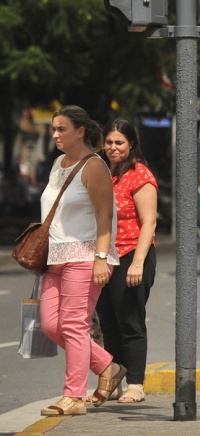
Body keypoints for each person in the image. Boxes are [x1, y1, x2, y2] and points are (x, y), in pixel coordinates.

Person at [39, 105, 124, 416]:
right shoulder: (57, 164)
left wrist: (101, 258)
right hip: (55, 257)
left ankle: (74, 397)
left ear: (80, 132)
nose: (55, 135)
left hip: (86, 256)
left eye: (61, 129)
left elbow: (105, 217)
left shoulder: (94, 166)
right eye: (53, 129)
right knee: (51, 325)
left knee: (74, 325)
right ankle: (107, 366)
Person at [94, 118, 158, 404]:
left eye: (119, 142)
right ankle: (112, 381)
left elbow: (149, 223)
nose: (113, 147)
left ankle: (136, 383)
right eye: (108, 142)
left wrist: (138, 263)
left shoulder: (139, 174)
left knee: (130, 322)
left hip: (132, 254)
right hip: (104, 255)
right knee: (108, 323)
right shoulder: (102, 172)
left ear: (131, 144)